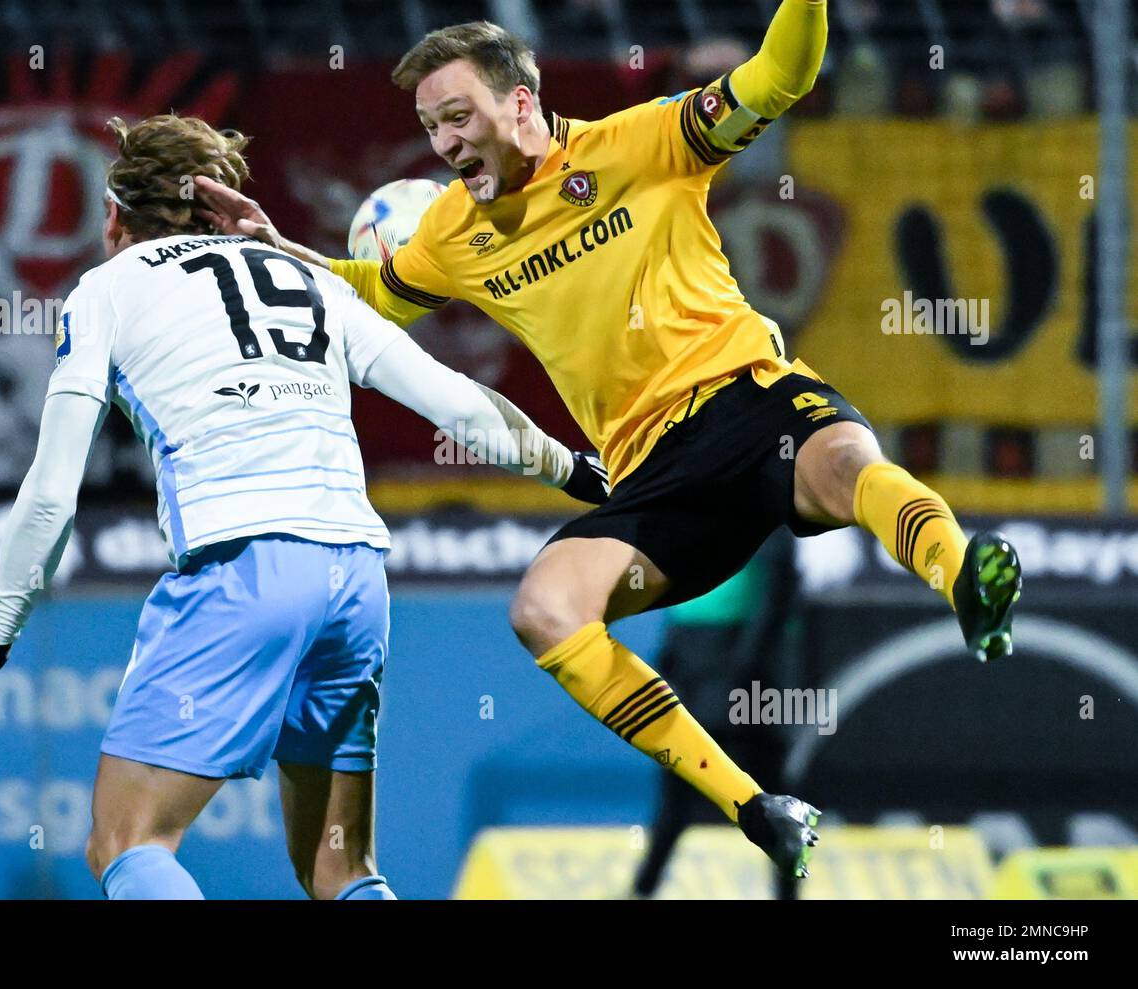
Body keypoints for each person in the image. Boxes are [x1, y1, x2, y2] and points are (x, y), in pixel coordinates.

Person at [194, 0, 1023, 880]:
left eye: (457, 116)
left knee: (849, 464)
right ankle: (755, 804)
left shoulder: (644, 143)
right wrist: (275, 246)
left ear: (522, 103)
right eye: (431, 126)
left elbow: (783, 73)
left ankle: (962, 575)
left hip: (750, 401)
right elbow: (380, 293)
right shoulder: (451, 231)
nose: (442, 144)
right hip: (657, 480)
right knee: (544, 609)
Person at [0, 113, 607, 900]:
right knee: (340, 868)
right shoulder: (308, 277)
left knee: (129, 841)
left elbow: (51, 492)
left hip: (241, 568)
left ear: (114, 216)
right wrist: (576, 471)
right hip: (356, 578)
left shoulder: (105, 290)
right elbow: (457, 405)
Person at [632, 531, 801, 900]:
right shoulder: (694, 508)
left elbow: (778, 592)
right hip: (697, 668)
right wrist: (673, 657)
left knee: (769, 786)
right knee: (678, 784)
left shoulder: (770, 513)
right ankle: (643, 889)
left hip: (747, 679)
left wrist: (747, 664)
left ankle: (787, 893)